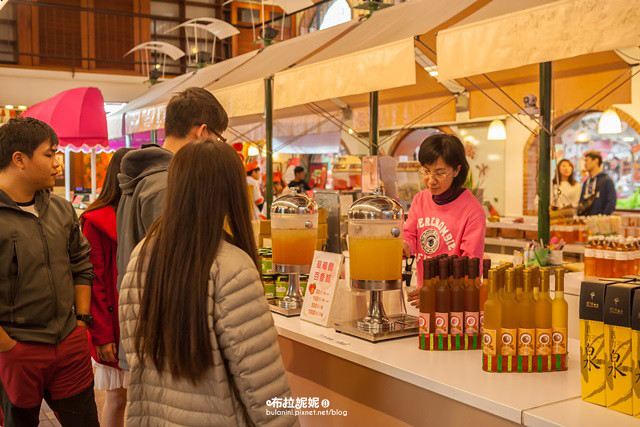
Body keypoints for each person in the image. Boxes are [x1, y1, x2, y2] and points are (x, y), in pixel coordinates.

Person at [119, 139, 297, 426]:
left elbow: (132, 343)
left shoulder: (143, 252)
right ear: (232, 191)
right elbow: (263, 385)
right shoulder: (233, 267)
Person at [116, 87, 229, 372]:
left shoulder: (146, 176)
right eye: (218, 137)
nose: (217, 145)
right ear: (202, 131)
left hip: (144, 316)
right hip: (163, 325)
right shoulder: (168, 184)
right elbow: (176, 264)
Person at [0, 117, 98, 426]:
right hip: (18, 348)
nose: (58, 163)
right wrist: (8, 348)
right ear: (19, 159)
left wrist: (81, 323)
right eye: (50, 153)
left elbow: (81, 264)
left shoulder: (61, 208)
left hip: (69, 341)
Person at [80, 148, 133, 427]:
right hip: (113, 325)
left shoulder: (145, 211)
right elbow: (93, 280)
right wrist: (102, 335)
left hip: (142, 323)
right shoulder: (96, 220)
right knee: (118, 399)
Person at [403, 134, 486, 307]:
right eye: (426, 171)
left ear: (456, 170)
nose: (430, 180)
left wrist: (439, 292)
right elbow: (409, 233)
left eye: (439, 173)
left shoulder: (472, 211)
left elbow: (471, 267)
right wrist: (403, 245)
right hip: (425, 297)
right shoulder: (420, 199)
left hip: (454, 302)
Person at [579, 151, 617, 215]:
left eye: (587, 161)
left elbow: (611, 203)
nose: (585, 164)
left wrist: (602, 218)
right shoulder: (586, 182)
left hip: (600, 222)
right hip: (585, 221)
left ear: (596, 161)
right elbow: (581, 201)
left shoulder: (607, 180)